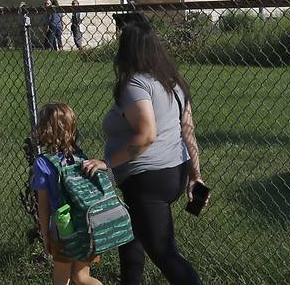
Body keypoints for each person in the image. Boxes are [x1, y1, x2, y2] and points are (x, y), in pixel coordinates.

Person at [82, 15, 204, 285]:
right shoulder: (172, 81)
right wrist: (196, 175)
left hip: (148, 178)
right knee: (131, 236)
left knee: (164, 252)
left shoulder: (135, 84)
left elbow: (146, 134)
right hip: (174, 171)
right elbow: (188, 131)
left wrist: (108, 162)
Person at [31, 102, 104, 285]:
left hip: (63, 228)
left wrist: (45, 234)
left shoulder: (43, 163)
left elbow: (44, 204)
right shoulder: (82, 157)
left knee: (61, 279)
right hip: (88, 223)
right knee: (82, 277)